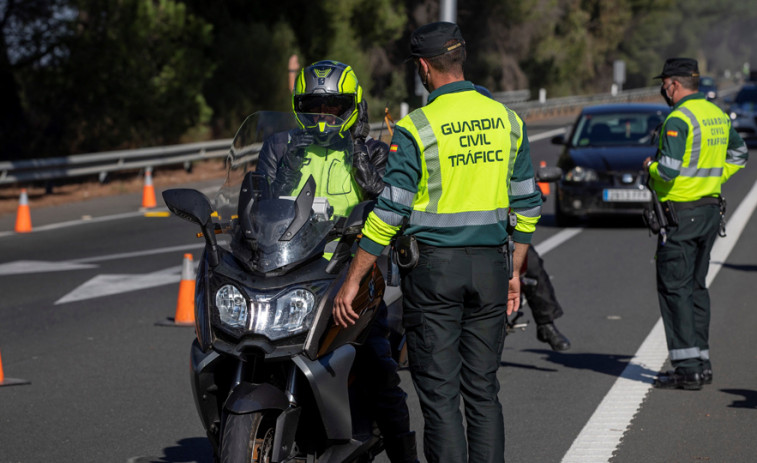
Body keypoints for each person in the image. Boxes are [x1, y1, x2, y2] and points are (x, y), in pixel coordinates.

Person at [333, 22, 542, 463]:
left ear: (424, 67)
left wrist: (354, 278)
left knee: (441, 396)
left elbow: (388, 215)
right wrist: (515, 270)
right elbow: (527, 205)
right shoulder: (508, 121)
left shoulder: (416, 128)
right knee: (483, 391)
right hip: (490, 267)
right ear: (460, 59)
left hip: (433, 276)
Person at [257, 60, 418, 462]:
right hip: (287, 268)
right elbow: (257, 207)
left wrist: (368, 172)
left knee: (378, 364)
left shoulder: (377, 151)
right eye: (314, 106)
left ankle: (404, 455)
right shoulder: (279, 147)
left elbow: (393, 209)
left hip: (351, 272)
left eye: (334, 107)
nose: (324, 116)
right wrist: (287, 168)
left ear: (353, 108)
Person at [643, 57, 748, 390]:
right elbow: (740, 154)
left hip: (682, 213)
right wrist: (713, 180)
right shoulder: (716, 114)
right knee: (697, 286)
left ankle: (687, 369)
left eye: (664, 84)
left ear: (674, 84)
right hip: (709, 211)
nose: (663, 90)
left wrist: (650, 167)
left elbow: (669, 170)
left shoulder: (678, 119)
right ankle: (701, 361)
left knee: (675, 287)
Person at [474, 84, 570, 351]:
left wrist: (531, 192)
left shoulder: (504, 142)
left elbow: (524, 179)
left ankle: (546, 324)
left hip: (504, 230)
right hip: (465, 234)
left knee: (533, 266)